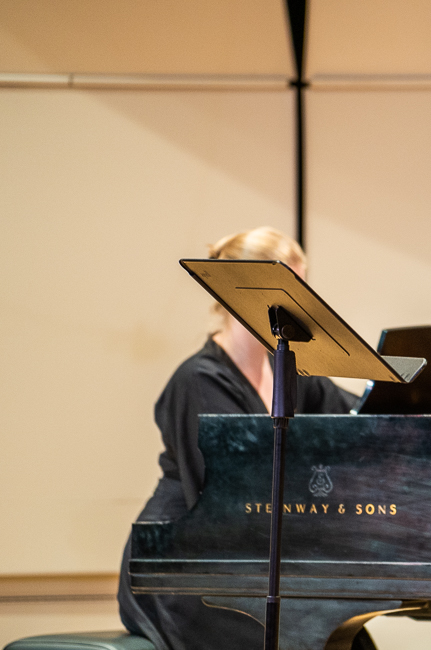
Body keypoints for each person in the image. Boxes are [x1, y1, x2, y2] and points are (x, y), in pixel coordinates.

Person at [117, 227, 359, 650]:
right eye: (288, 292)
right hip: (183, 567)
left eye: (303, 291)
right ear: (237, 293)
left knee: (347, 639)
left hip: (247, 562)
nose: (300, 308)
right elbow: (227, 498)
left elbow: (359, 414)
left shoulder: (289, 370)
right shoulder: (199, 379)